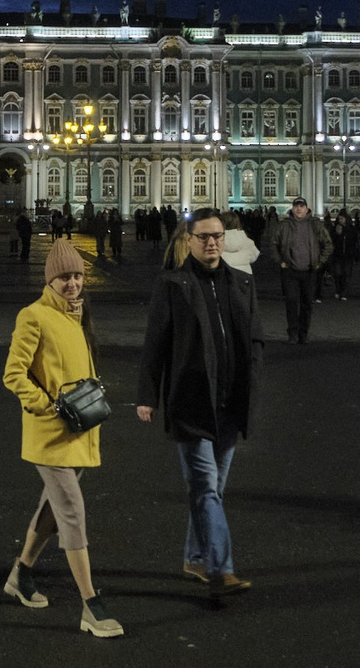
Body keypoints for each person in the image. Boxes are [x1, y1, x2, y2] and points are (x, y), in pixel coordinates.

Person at [0, 242, 123, 638]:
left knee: (53, 507)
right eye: (64, 277)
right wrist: (45, 405)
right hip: (51, 432)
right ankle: (91, 604)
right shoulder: (33, 316)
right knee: (71, 510)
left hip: (80, 430)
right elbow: (13, 373)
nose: (72, 283)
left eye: (77, 276)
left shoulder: (76, 315)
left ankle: (21, 574)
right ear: (49, 279)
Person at [137, 209, 261, 598]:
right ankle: (220, 569)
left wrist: (255, 381)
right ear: (188, 240)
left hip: (230, 401)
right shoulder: (172, 284)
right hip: (190, 401)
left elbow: (254, 340)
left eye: (218, 236)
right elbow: (155, 343)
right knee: (206, 487)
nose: (212, 243)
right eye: (204, 237)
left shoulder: (242, 283)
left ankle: (194, 556)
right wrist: (147, 395)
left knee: (212, 490)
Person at [266, 199, 331, 344]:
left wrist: (320, 262)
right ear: (293, 209)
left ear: (307, 209)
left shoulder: (315, 225)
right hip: (290, 270)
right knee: (291, 301)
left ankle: (303, 333)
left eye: (302, 206)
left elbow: (327, 243)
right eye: (296, 206)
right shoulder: (284, 225)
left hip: (309, 271)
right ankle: (293, 333)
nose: (299, 209)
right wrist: (280, 261)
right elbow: (273, 244)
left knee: (307, 303)